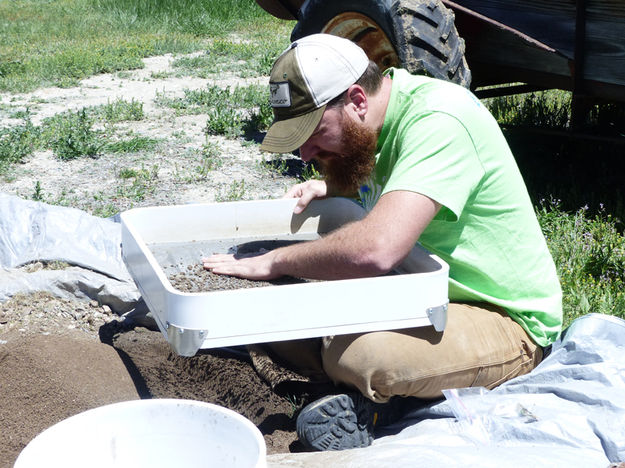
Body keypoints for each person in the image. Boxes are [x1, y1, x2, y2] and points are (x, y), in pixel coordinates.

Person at [202, 33, 563, 451]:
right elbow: (389, 187)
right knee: (269, 316)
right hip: (418, 296)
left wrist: (278, 260)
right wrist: (328, 186)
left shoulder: (440, 120)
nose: (303, 154)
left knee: (361, 357)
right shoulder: (370, 126)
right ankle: (365, 384)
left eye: (313, 132)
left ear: (356, 100)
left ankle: (383, 410)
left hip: (503, 319)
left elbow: (376, 250)